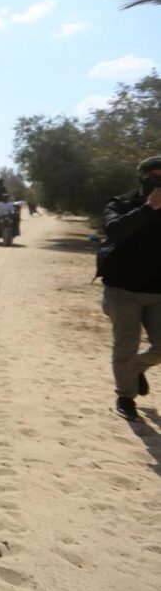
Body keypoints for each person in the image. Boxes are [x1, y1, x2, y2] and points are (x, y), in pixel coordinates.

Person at [99, 155, 161, 422]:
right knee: (126, 345)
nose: (159, 182)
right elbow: (114, 230)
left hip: (157, 292)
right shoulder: (121, 203)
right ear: (142, 178)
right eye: (153, 177)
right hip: (121, 290)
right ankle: (125, 397)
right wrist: (148, 209)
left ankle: (134, 369)